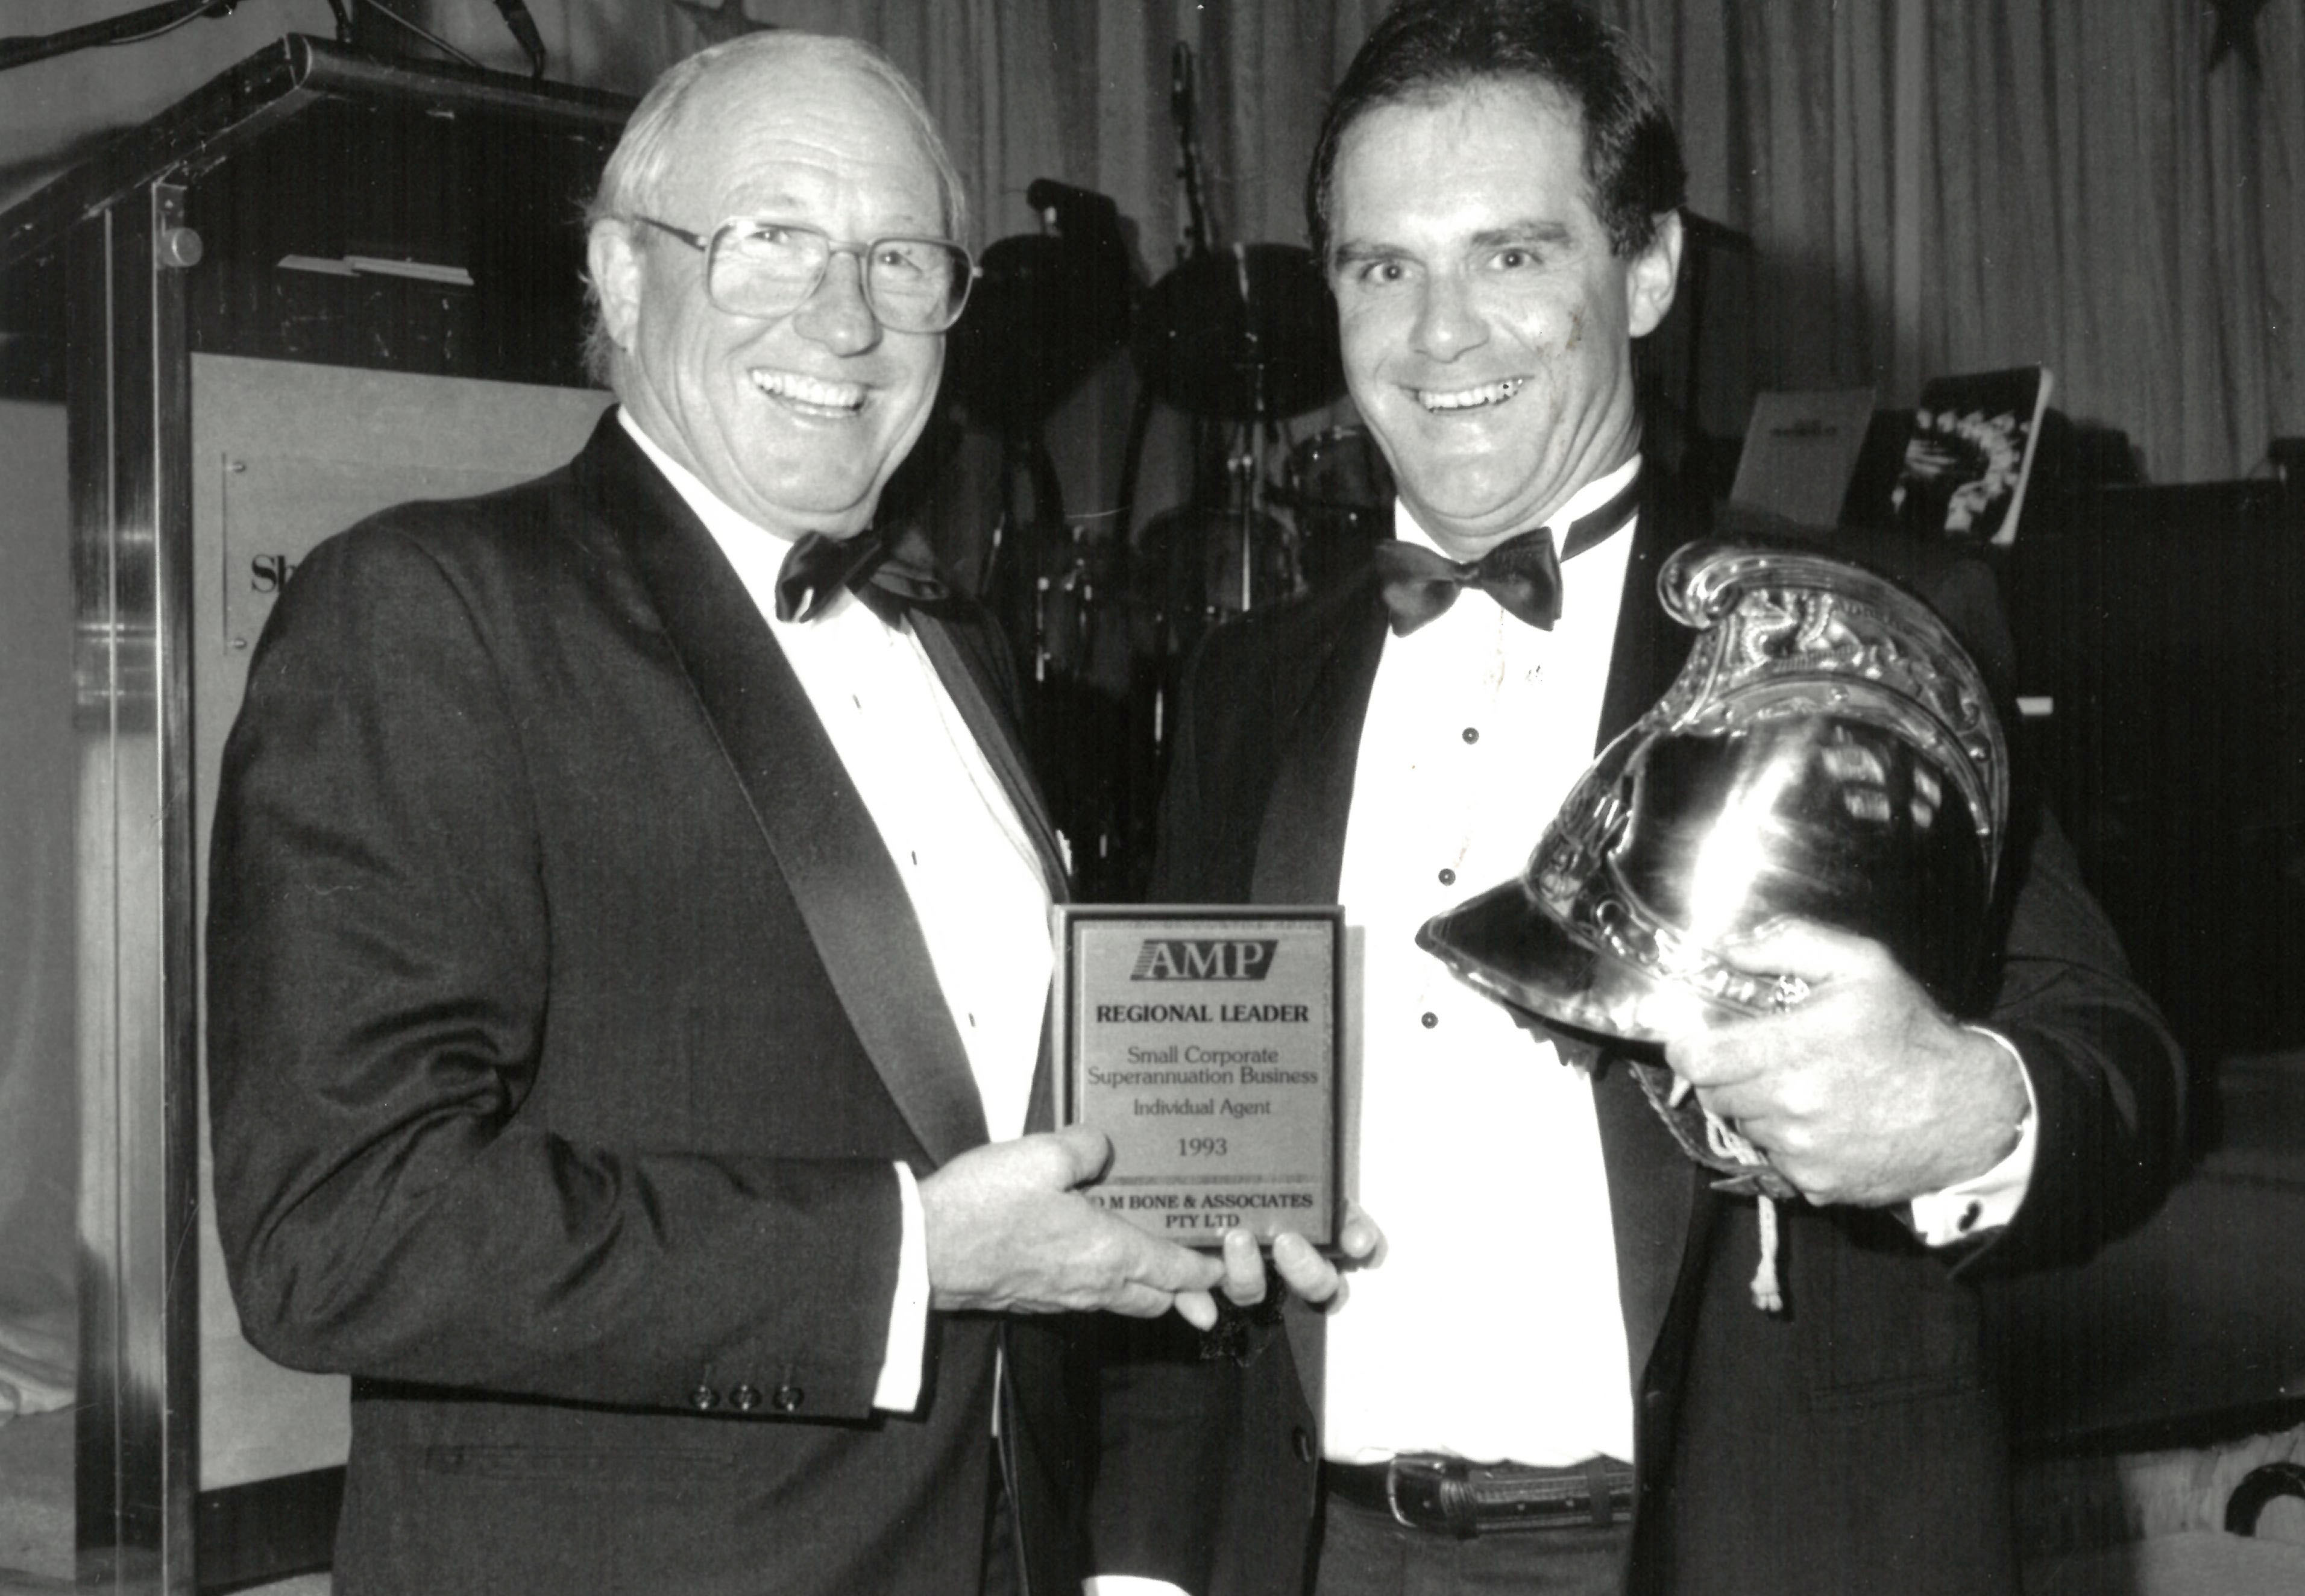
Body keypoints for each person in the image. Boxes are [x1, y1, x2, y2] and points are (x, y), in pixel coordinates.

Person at [1092, 4, 2184, 1594]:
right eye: (1381, 267)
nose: (1439, 334)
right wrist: (1141, 1569)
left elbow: (2129, 1071)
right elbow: (1180, 1167)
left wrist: (1964, 1107)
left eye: (1514, 257)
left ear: (1650, 269)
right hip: (1318, 1552)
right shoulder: (1251, 682)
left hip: (1748, 1549)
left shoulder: (1847, 627)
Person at [205, 31, 1264, 1596]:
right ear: (625, 282)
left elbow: (1032, 1147)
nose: (845, 320)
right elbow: (337, 1230)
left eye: (899, 257)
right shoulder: (432, 609)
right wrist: (913, 1258)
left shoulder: (958, 640)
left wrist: (1131, 1556)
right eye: (772, 240)